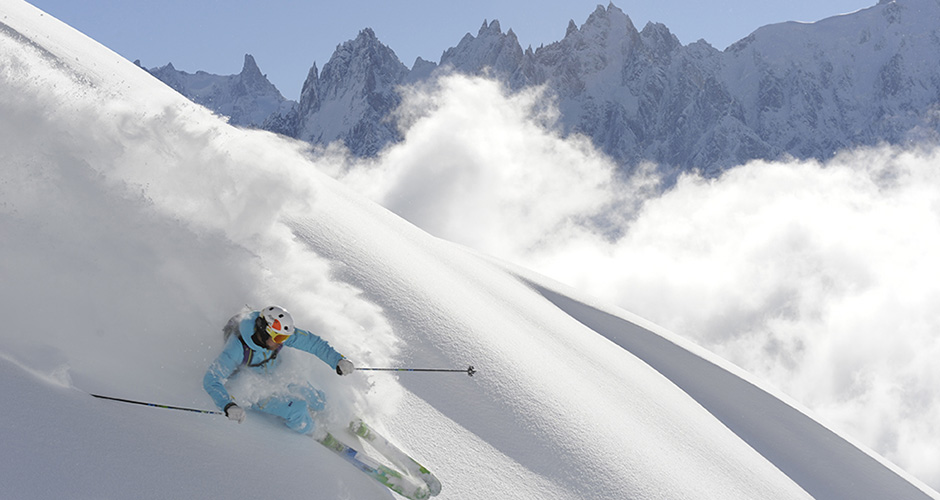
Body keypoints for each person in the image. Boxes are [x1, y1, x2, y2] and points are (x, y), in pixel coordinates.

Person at [203, 305, 355, 435]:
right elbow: (212, 379)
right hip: (253, 388)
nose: (282, 342)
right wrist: (227, 404)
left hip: (274, 372)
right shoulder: (236, 348)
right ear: (263, 331)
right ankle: (315, 431)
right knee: (297, 410)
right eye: (278, 338)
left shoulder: (277, 332)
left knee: (312, 395)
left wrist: (338, 360)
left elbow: (313, 343)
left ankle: (331, 414)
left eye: (284, 338)